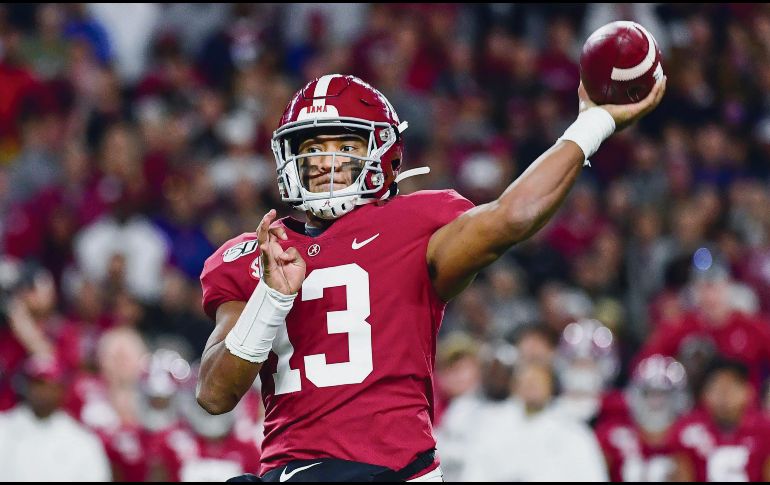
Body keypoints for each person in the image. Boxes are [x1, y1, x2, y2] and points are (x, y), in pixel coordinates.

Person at [196, 73, 666, 482]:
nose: (326, 162)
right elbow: (215, 395)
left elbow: (512, 215)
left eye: (345, 146)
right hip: (292, 472)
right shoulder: (252, 254)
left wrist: (592, 123)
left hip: (395, 471)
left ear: (383, 154)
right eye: (313, 147)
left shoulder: (414, 225)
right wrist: (270, 298)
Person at [0, 356, 111, 481]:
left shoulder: (81, 438)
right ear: (26, 387)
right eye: (39, 384)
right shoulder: (4, 427)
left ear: (62, 390)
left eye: (52, 386)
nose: (44, 392)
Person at [668, 358, 770, 481]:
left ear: (748, 392)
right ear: (704, 394)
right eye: (717, 387)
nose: (724, 396)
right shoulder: (688, 430)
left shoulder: (765, 429)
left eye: (731, 387)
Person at [595, 354, 690, 482]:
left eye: (663, 394)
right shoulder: (613, 435)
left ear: (677, 397)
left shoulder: (690, 437)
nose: (656, 402)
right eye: (649, 393)